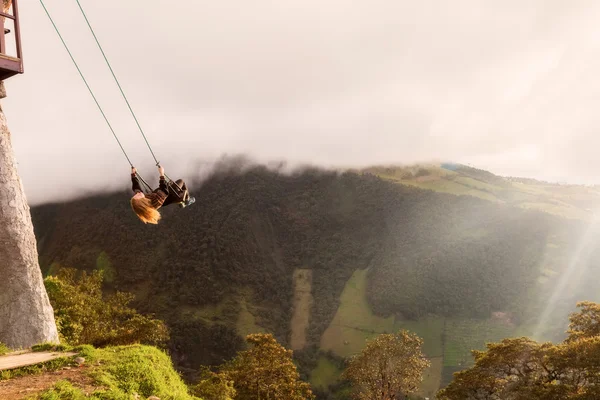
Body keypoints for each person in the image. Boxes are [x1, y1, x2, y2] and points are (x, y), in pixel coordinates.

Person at [130, 165, 195, 224]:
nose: (138, 194)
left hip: (164, 195)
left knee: (171, 186)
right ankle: (187, 200)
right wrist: (161, 174)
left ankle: (181, 203)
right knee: (181, 181)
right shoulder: (155, 202)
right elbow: (164, 191)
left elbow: (136, 188)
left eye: (135, 195)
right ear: (142, 202)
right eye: (138, 196)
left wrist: (133, 174)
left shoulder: (142, 200)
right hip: (171, 195)